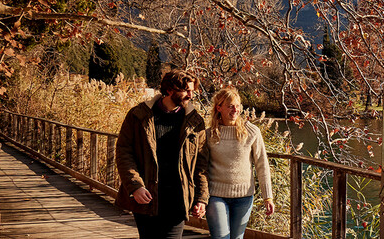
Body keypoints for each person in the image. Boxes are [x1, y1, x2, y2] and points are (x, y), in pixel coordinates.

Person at [115, 70, 209, 239]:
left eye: (192, 91)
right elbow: (124, 152)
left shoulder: (195, 122)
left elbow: (201, 165)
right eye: (186, 90)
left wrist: (201, 198)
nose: (190, 95)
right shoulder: (139, 115)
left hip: (178, 199)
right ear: (170, 90)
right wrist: (135, 186)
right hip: (147, 197)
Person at [200, 87, 273, 239]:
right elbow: (201, 168)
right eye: (230, 106)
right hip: (216, 196)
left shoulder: (252, 132)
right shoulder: (208, 134)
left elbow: (262, 165)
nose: (235, 110)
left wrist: (268, 197)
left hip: (244, 197)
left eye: (238, 106)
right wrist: (200, 198)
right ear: (219, 108)